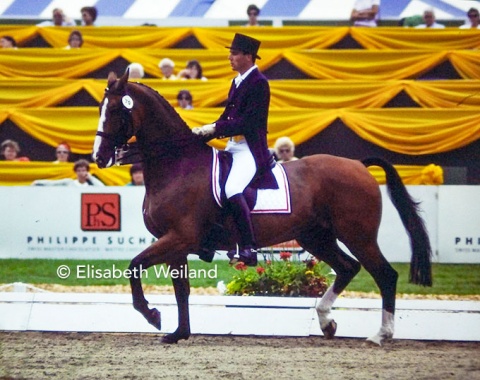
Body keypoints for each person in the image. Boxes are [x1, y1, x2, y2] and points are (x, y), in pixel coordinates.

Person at [192, 33, 276, 266]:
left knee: (231, 188)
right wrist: (207, 130)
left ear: (248, 57)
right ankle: (212, 241)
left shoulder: (259, 83)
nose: (230, 57)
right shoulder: (236, 82)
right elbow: (227, 116)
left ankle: (248, 247)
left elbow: (247, 123)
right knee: (210, 187)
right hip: (232, 146)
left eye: (234, 53)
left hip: (249, 148)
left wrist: (213, 129)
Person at [32, 159, 104, 186]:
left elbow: (103, 189)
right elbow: (53, 183)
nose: (81, 173)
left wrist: (90, 178)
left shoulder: (90, 186)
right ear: (75, 172)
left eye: (83, 170)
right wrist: (38, 182)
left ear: (87, 172)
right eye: (79, 170)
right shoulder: (69, 182)